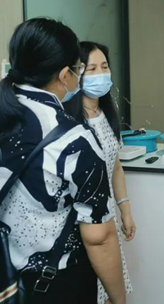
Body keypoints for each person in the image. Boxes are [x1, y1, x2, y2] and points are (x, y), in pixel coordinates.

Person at [0, 19, 126, 304]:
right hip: (55, 284)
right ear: (65, 75)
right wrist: (119, 299)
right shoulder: (75, 139)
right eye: (80, 69)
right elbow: (99, 237)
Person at [65, 42, 135, 304]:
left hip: (107, 218)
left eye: (104, 67)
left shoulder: (107, 113)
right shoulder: (68, 119)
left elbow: (115, 166)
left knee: (110, 291)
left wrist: (125, 210)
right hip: (81, 223)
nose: (101, 74)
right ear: (76, 74)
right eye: (91, 69)